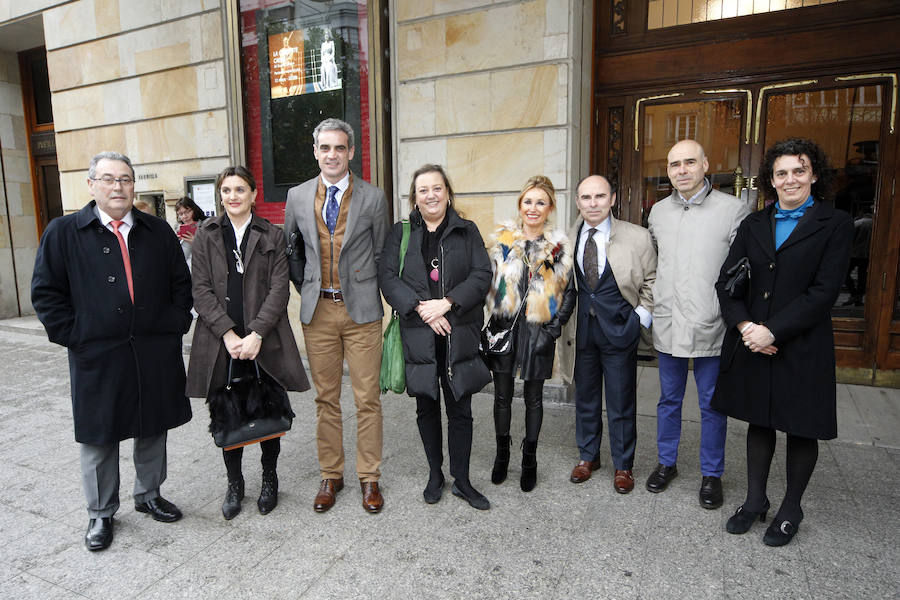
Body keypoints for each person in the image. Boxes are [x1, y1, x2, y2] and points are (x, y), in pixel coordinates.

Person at [31, 151, 192, 551]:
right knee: (100, 434)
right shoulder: (63, 231)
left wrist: (175, 325)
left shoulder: (158, 231)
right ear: (91, 185)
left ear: (133, 184)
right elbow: (46, 293)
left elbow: (180, 285)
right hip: (97, 354)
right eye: (107, 179)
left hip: (154, 348)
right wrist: (75, 334)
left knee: (153, 425)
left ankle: (149, 494)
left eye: (124, 179)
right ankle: (101, 513)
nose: (117, 186)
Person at [713, 138, 852, 546]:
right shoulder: (754, 224)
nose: (790, 179)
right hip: (753, 339)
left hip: (802, 343)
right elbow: (727, 283)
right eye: (781, 172)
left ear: (813, 175)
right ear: (770, 180)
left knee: (801, 427)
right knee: (760, 420)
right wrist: (746, 329)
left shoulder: (835, 223)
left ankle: (792, 507)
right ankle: (756, 500)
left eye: (799, 170)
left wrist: (773, 330)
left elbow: (825, 292)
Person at [186, 166, 310, 520]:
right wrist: (228, 334)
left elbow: (278, 289)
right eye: (226, 190)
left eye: (240, 189)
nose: (233, 196)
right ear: (220, 195)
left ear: (254, 194)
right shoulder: (206, 235)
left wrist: (255, 333)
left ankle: (270, 478)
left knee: (268, 408)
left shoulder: (271, 234)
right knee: (229, 413)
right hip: (221, 341)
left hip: (264, 339)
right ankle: (235, 483)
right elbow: (201, 290)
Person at [283, 117, 389, 514]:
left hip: (361, 312)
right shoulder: (296, 196)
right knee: (326, 398)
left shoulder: (373, 198)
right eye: (324, 148)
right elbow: (290, 250)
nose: (332, 154)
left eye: (339, 148)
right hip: (318, 312)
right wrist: (307, 286)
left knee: (368, 399)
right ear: (315, 152)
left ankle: (369, 477)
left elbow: (380, 253)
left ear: (350, 152)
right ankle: (331, 473)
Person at [378, 164, 493, 509]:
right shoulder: (400, 232)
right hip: (419, 334)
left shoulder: (466, 230)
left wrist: (446, 303)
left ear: (448, 192)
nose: (431, 195)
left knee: (461, 409)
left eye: (437, 188)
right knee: (426, 408)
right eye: (423, 189)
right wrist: (421, 309)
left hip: (458, 333)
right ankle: (435, 474)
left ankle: (463, 479)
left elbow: (482, 273)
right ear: (414, 197)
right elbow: (387, 276)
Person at [645, 139, 750, 508]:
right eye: (674, 164)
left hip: (712, 324)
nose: (682, 170)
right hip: (669, 322)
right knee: (668, 401)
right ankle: (666, 463)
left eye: (690, 162)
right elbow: (657, 262)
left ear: (706, 164)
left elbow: (742, 269)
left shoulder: (733, 210)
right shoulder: (657, 212)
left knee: (711, 404)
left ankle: (711, 474)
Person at [483, 175, 575, 492]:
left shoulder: (558, 248)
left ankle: (529, 459)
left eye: (540, 202)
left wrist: (553, 328)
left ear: (550, 208)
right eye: (527, 202)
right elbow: (485, 280)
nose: (533, 208)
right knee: (502, 396)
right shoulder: (502, 241)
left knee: (534, 399)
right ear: (519, 206)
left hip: (538, 332)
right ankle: (502, 454)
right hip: (505, 330)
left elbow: (569, 292)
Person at [567, 175, 656, 494]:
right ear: (578, 202)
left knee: (620, 401)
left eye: (599, 196)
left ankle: (623, 465)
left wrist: (639, 319)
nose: (593, 203)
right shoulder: (570, 236)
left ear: (612, 199)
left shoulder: (638, 237)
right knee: (586, 398)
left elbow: (652, 280)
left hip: (621, 328)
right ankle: (588, 456)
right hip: (583, 331)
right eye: (586, 197)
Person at [174, 196, 206, 271]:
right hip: (185, 272)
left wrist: (196, 242)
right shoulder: (178, 229)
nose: (185, 216)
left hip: (202, 271)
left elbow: (214, 252)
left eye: (187, 212)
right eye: (181, 214)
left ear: (194, 210)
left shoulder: (206, 226)